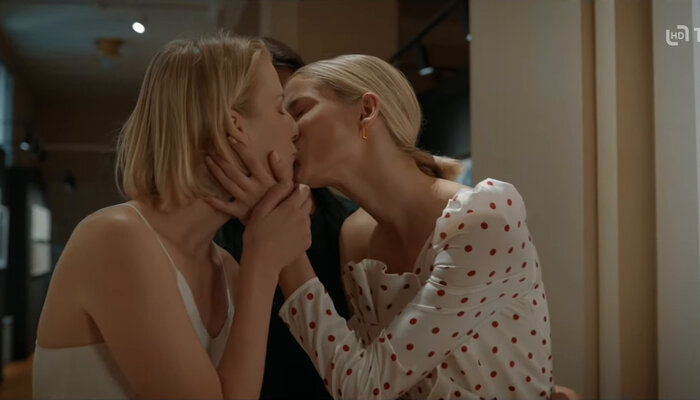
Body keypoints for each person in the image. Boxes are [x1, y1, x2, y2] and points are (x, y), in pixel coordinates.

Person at [207, 54, 557, 399]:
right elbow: (354, 370)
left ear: (366, 110)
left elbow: (365, 387)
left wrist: (280, 243)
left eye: (299, 112)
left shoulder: (483, 216)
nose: (289, 129)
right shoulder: (355, 236)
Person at [32, 33, 311, 399]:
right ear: (234, 125)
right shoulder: (116, 239)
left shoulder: (225, 268)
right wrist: (262, 263)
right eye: (280, 108)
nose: (294, 127)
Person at [213, 37, 357, 399]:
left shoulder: (351, 224)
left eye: (297, 110)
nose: (292, 128)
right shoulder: (211, 231)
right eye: (278, 110)